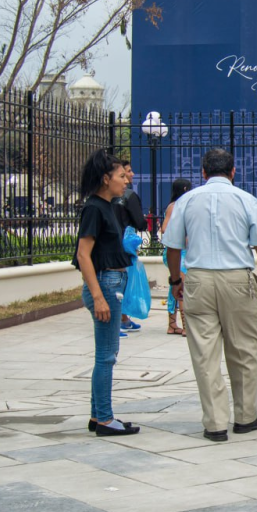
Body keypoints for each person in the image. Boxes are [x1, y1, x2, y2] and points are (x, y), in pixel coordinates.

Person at [163, 149, 257, 442]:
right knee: (244, 350)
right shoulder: (246, 200)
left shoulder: (186, 201)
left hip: (199, 278)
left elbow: (173, 247)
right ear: (233, 171)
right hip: (237, 278)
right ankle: (246, 416)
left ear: (203, 172)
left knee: (205, 353)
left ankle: (214, 423)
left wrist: (176, 279)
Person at [72, 149, 139, 437]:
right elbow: (83, 254)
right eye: (121, 176)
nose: (126, 181)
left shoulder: (107, 206)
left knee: (106, 354)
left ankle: (98, 414)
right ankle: (104, 418)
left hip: (111, 285)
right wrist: (98, 296)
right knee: (106, 356)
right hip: (105, 286)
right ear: (105, 179)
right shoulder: (94, 208)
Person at [113, 160, 148, 336]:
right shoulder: (129, 196)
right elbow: (139, 222)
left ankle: (123, 318)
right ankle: (117, 320)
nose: (131, 175)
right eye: (127, 171)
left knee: (118, 280)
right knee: (122, 281)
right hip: (125, 244)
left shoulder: (105, 197)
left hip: (113, 242)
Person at [160, 178, 193, 337]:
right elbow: (165, 228)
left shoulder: (183, 206)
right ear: (185, 189)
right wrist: (185, 236)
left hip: (183, 253)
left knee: (175, 287)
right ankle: (186, 326)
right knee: (182, 288)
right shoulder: (174, 207)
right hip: (177, 253)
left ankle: (172, 324)